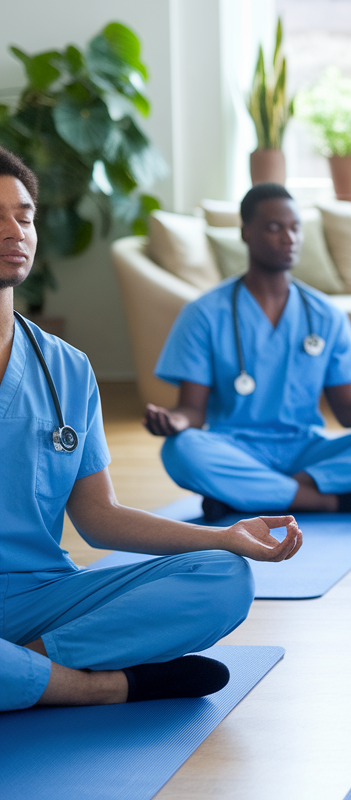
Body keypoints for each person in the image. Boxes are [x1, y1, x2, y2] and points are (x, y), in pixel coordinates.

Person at [0, 147, 302, 712]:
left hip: (45, 595)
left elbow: (98, 518)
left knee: (224, 577)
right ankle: (97, 686)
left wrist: (223, 536)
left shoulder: (67, 367)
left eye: (23, 215)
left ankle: (25, 671)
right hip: (53, 621)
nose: (14, 231)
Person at [145, 184, 351, 521]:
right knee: (180, 450)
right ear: (246, 233)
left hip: (307, 450)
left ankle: (252, 495)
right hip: (235, 448)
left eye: (295, 227)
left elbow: (348, 411)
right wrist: (175, 420)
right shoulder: (203, 313)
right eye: (274, 227)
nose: (289, 238)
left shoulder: (325, 314)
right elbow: (193, 410)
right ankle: (325, 501)